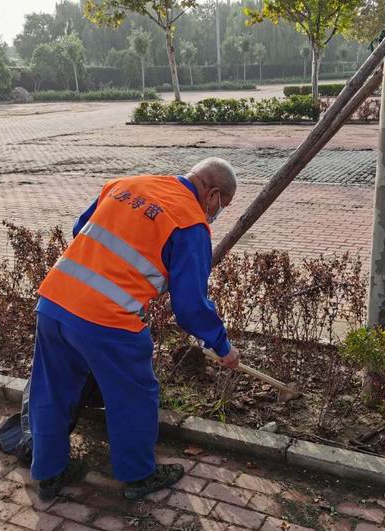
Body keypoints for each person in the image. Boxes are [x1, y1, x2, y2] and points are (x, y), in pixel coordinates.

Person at [29, 158, 240, 501]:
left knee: (52, 390)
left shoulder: (126, 185)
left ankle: (49, 474)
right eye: (222, 206)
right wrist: (222, 346)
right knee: (134, 396)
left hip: (53, 301)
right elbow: (190, 306)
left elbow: (81, 228)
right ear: (213, 193)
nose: (217, 213)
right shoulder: (190, 223)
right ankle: (139, 476)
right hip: (106, 320)